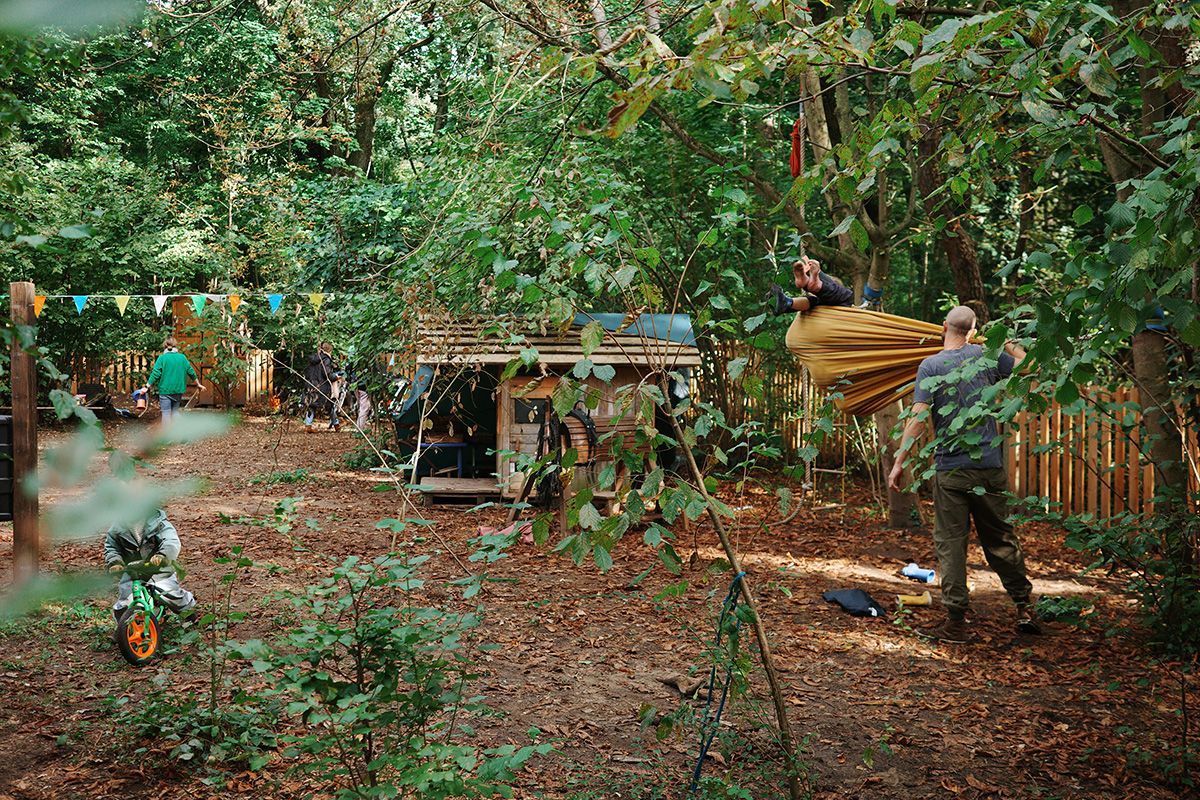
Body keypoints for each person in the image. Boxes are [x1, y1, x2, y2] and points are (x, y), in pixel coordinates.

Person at [887, 305, 1038, 643]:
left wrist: (899, 461)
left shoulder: (932, 365)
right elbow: (1030, 368)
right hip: (989, 468)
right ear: (972, 331)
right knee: (1000, 539)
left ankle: (956, 622)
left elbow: (917, 417)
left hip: (951, 472)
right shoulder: (988, 356)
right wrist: (1008, 341)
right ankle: (1024, 607)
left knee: (951, 545)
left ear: (944, 327)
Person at [105, 507, 196, 619]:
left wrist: (162, 555)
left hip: (157, 570)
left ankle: (189, 611)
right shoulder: (117, 529)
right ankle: (125, 626)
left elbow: (170, 541)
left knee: (170, 594)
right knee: (125, 601)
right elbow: (112, 548)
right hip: (132, 572)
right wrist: (115, 562)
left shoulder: (158, 523)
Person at [140, 336, 205, 424]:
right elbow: (191, 372)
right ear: (175, 345)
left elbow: (156, 373)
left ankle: (167, 436)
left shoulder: (162, 358)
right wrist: (198, 384)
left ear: (165, 346)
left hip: (165, 390)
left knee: (166, 413)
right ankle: (183, 430)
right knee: (175, 412)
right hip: (178, 390)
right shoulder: (182, 358)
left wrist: (146, 387)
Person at [768, 256, 854, 315]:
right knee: (815, 301)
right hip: (834, 307)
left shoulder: (838, 302)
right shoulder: (817, 308)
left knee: (842, 296)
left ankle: (817, 284)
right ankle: (787, 302)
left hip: (838, 305)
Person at [302, 342, 340, 433]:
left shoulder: (313, 358)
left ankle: (308, 425)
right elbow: (327, 374)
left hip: (310, 385)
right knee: (330, 405)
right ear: (329, 350)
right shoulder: (326, 359)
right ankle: (336, 425)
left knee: (311, 404)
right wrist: (336, 377)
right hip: (321, 386)